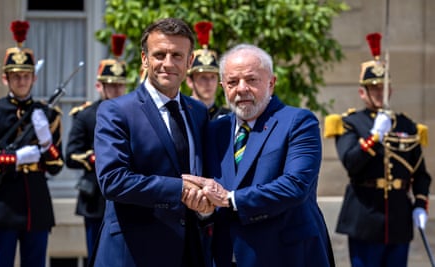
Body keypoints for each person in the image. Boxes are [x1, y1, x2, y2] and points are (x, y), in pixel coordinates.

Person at [183, 43, 335, 267]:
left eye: (252, 80)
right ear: (223, 87)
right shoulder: (216, 130)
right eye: (233, 82)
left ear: (271, 83)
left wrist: (231, 199)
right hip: (228, 256)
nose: (242, 88)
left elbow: (295, 186)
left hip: (286, 256)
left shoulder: (298, 122)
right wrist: (205, 210)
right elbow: (213, 191)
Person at [91, 18, 212, 267]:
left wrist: (206, 206)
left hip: (190, 251)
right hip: (134, 253)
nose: (168, 63)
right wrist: (178, 189)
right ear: (145, 59)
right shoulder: (116, 111)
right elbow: (113, 181)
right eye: (160, 55)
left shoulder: (198, 112)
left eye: (177, 55)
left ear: (190, 61)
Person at [324, 32, 431, 267]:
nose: (379, 93)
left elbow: (420, 173)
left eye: (383, 88)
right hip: (365, 217)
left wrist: (420, 205)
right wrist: (375, 136)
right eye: (373, 88)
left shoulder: (407, 125)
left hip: (399, 220)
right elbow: (351, 162)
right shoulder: (351, 122)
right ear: (362, 92)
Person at [0, 20, 64, 267]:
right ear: (5, 78)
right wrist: (17, 158)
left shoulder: (48, 114)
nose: (21, 81)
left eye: (26, 76)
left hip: (37, 204)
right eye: (15, 76)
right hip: (2, 204)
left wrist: (45, 142)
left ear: (34, 78)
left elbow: (56, 165)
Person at [65, 33, 128, 260]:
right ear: (99, 86)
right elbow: (70, 155)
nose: (116, 90)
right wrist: (94, 157)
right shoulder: (85, 115)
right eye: (111, 85)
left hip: (124, 195)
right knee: (94, 255)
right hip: (94, 196)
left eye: (120, 85)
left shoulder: (131, 113)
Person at [186, 21, 230, 120]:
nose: (209, 83)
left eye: (213, 77)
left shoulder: (228, 117)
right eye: (203, 77)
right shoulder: (181, 115)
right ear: (189, 81)